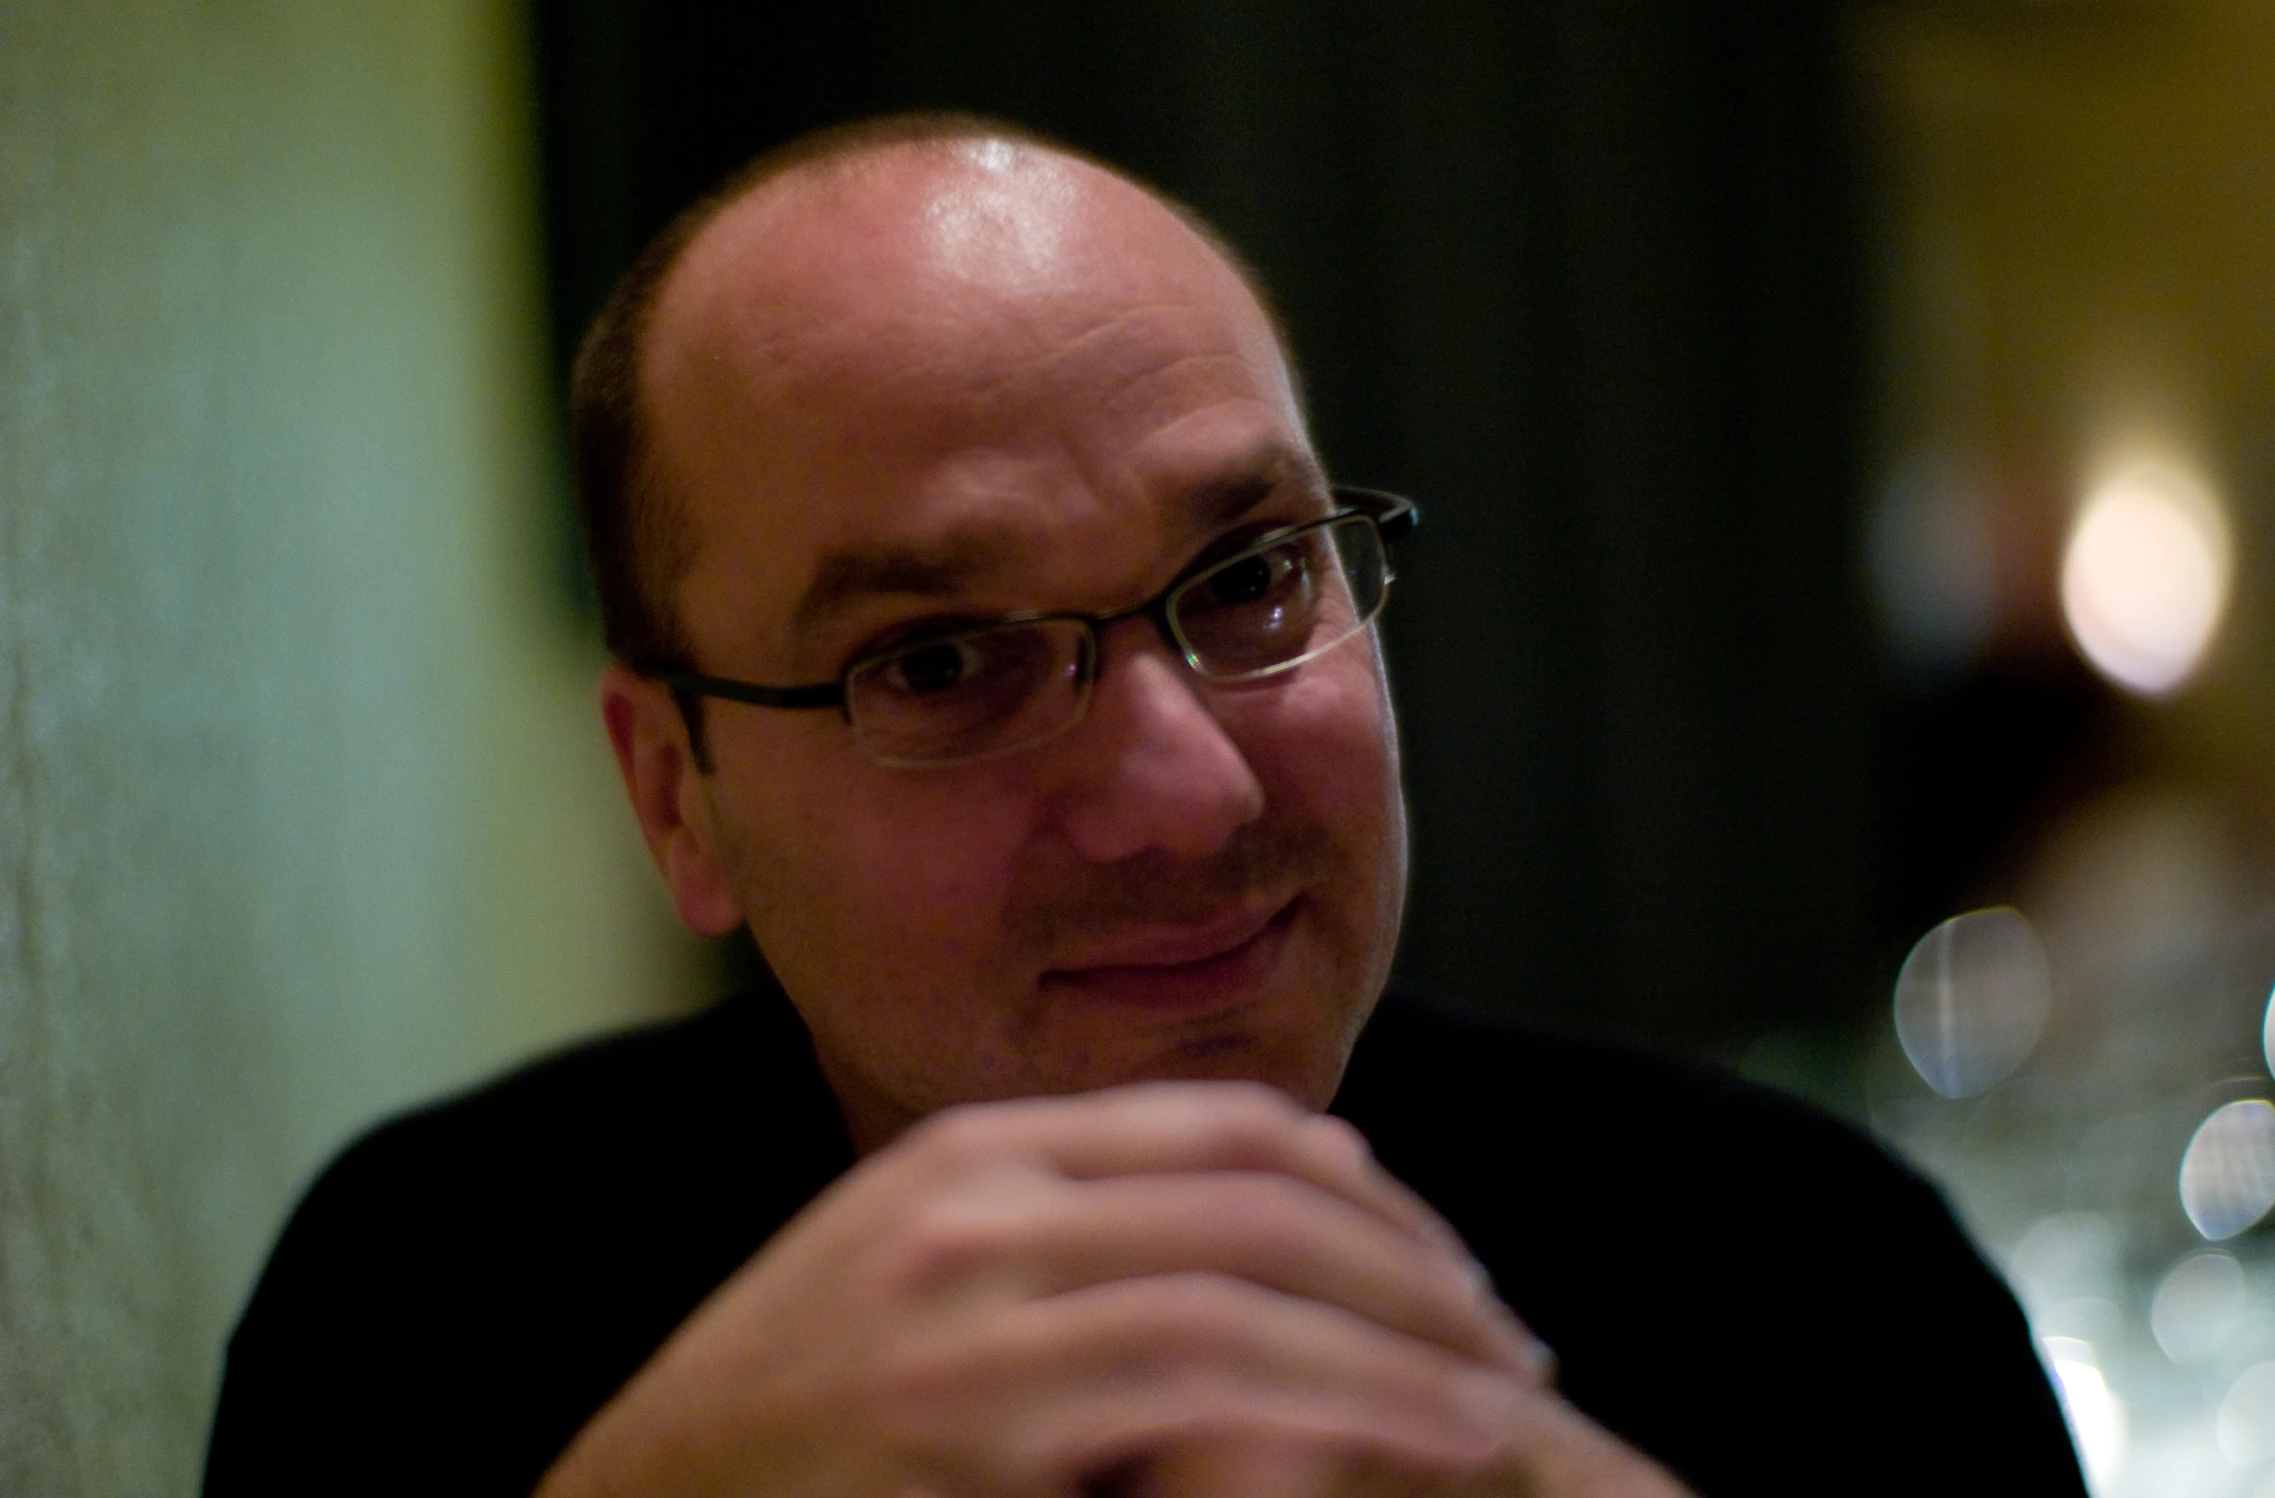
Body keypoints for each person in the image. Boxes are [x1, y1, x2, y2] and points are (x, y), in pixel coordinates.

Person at [203, 115, 2085, 1497]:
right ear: (675, 794)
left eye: (1258, 574)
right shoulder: (429, 1305)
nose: (1190, 796)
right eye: (942, 662)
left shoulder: (1822, 1291)